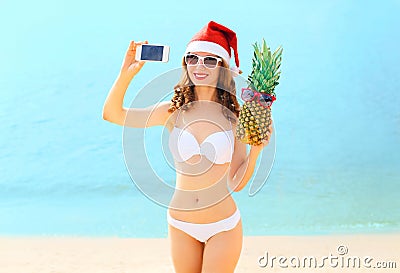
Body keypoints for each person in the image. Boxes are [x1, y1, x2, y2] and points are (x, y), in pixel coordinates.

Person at [103, 21, 273, 273]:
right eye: (192, 58)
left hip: (222, 226)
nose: (199, 66)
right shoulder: (173, 112)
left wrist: (256, 151)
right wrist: (126, 74)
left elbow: (237, 183)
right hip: (180, 224)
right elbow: (113, 114)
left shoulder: (235, 118)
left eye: (210, 60)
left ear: (224, 67)